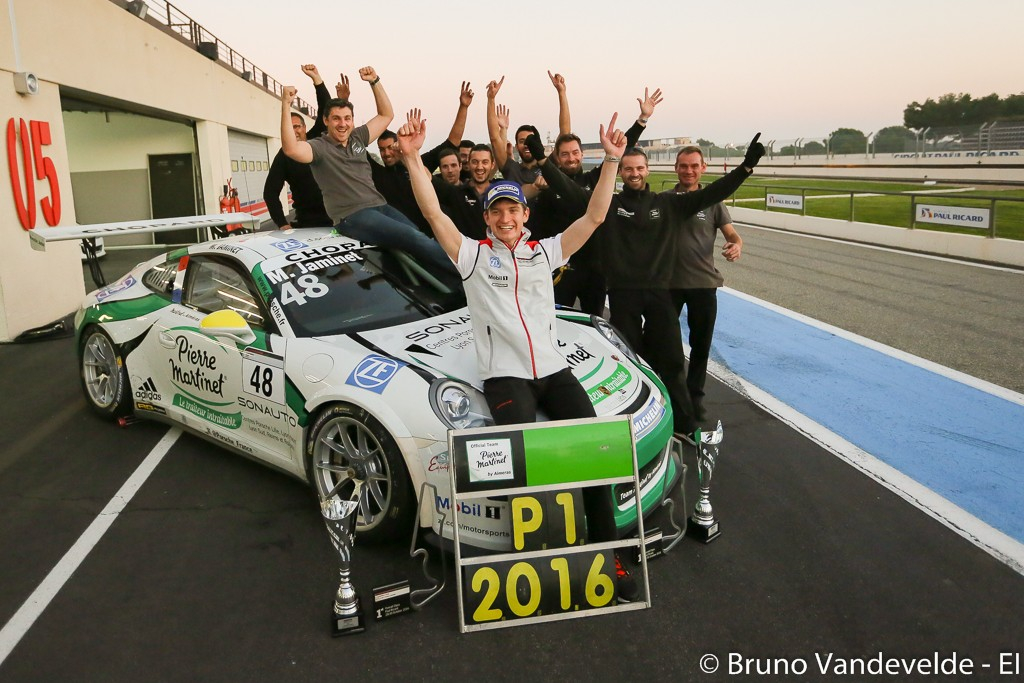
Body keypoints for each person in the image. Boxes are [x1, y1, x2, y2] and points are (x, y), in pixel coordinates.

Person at [398, 109, 630, 557]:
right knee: (522, 465)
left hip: (553, 369)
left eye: (512, 209)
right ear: (487, 218)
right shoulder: (472, 256)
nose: (505, 217)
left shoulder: (546, 251)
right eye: (497, 210)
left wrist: (612, 162)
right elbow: (432, 212)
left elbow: (595, 217)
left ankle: (609, 553)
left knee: (595, 454)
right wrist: (411, 159)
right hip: (505, 375)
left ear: (525, 214)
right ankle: (535, 559)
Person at [599, 138, 764, 440]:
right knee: (634, 351)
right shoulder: (637, 201)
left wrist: (746, 168)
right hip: (644, 289)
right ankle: (633, 413)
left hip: (684, 286)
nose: (634, 173)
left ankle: (687, 417)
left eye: (639, 168)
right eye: (628, 168)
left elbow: (716, 193)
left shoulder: (679, 203)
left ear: (647, 169)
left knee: (682, 355)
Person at [279, 67, 454, 274]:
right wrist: (285, 105)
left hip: (380, 206)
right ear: (326, 121)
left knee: (418, 234)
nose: (343, 124)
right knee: (413, 238)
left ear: (353, 120)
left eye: (347, 118)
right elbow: (291, 149)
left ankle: (435, 282)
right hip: (352, 216)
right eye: (336, 118)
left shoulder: (358, 137)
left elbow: (386, 114)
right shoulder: (319, 147)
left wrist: (375, 81)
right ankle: (466, 277)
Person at [534, 85, 664, 314]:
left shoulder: (595, 179)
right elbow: (538, 229)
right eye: (564, 154)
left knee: (594, 321)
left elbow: (620, 150)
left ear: (582, 155)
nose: (571, 158)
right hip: (562, 268)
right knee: (558, 320)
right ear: (557, 157)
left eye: (575, 152)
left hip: (596, 268)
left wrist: (642, 119)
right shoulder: (547, 189)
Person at [663, 146, 744, 422]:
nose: (689, 171)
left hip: (703, 284)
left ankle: (695, 399)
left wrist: (735, 246)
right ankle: (669, 397)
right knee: (664, 345)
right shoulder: (663, 200)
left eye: (694, 166)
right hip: (667, 286)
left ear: (703, 168)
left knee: (701, 346)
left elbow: (732, 235)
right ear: (676, 168)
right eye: (683, 166)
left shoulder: (713, 202)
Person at [263, 64, 333, 229]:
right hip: (307, 223)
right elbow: (270, 193)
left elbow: (325, 107)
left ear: (304, 128)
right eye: (290, 127)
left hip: (337, 217)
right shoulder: (284, 156)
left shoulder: (316, 138)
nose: (294, 131)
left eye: (297, 127)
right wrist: (282, 223)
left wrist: (317, 79)